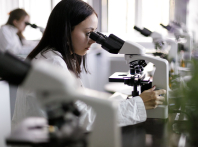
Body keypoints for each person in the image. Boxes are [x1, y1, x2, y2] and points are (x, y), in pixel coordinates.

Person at [12, 0, 166, 131]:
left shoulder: (59, 57)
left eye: (95, 33)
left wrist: (127, 103)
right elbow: (79, 118)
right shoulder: (52, 63)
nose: (93, 40)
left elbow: (80, 107)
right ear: (66, 31)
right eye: (88, 33)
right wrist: (137, 104)